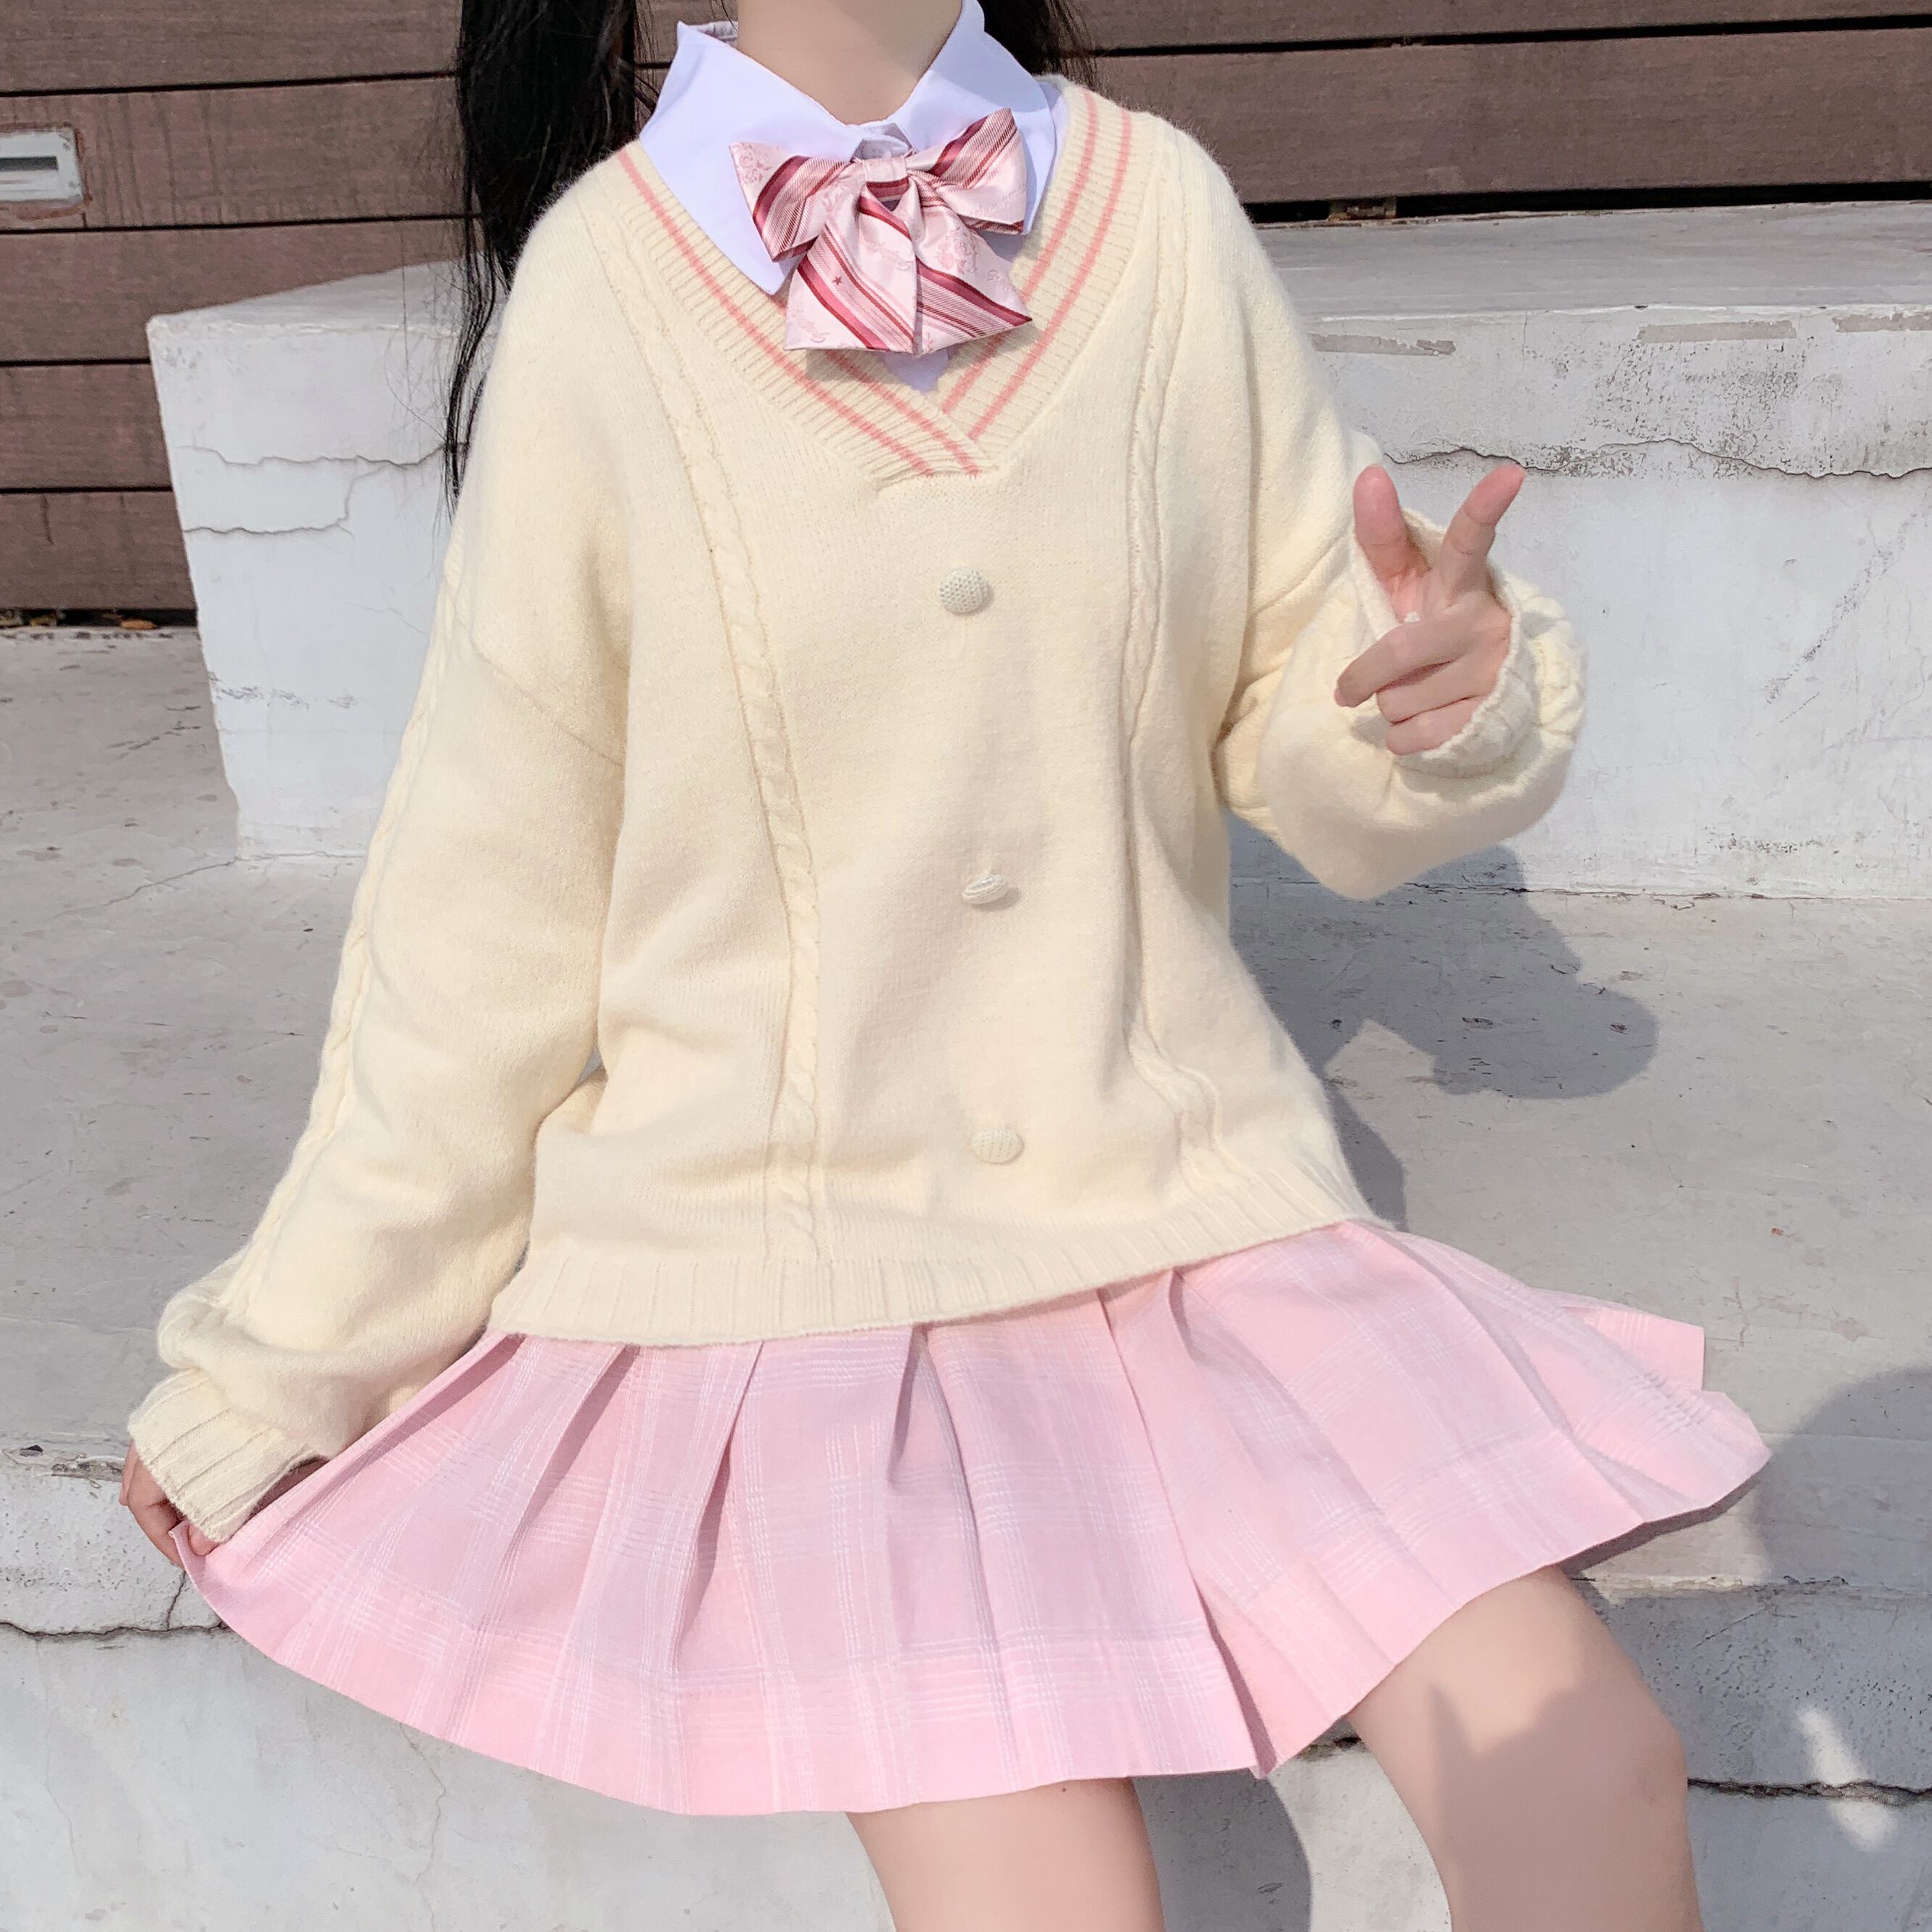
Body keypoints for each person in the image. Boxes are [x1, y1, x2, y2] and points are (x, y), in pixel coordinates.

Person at [119, 1, 1769, 1925]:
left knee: (1587, 1761)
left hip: (1184, 1209)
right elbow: (492, 898)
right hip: (792, 1284)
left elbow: (1299, 700)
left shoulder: (1154, 212)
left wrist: (1434, 698)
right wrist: (286, 1360)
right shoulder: (609, 287)